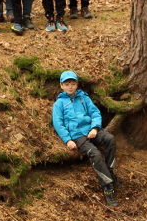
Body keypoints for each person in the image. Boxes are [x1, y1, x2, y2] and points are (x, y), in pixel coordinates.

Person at [51, 71, 119, 207]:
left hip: (91, 129)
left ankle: (110, 171)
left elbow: (95, 113)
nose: (70, 87)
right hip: (77, 136)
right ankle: (107, 187)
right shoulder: (59, 104)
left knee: (109, 139)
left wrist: (95, 128)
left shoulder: (84, 98)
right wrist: (68, 140)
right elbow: (58, 124)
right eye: (67, 84)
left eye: (73, 84)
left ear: (77, 84)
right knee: (95, 154)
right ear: (61, 85)